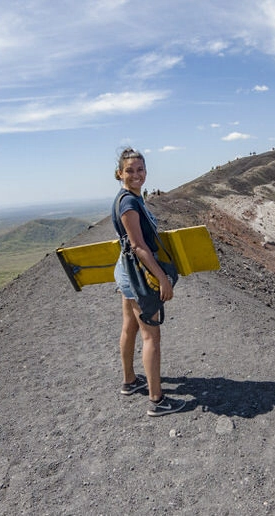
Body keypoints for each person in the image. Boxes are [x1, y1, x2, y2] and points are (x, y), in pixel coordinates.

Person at [113, 147, 186, 417]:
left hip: (126, 273)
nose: (136, 175)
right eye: (130, 170)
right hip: (138, 276)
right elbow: (138, 246)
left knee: (130, 326)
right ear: (119, 173)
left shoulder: (129, 197)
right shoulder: (129, 203)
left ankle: (130, 381)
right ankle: (157, 400)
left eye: (140, 170)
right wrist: (162, 279)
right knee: (151, 335)